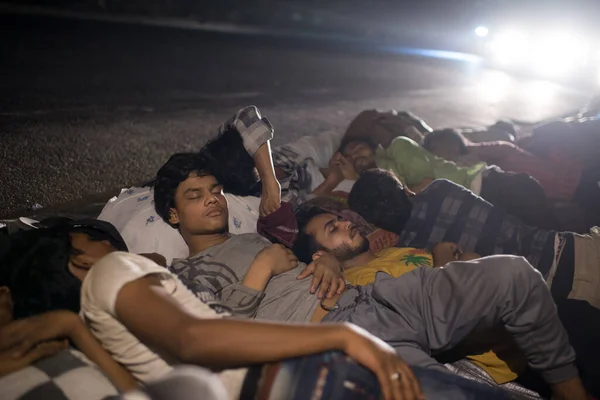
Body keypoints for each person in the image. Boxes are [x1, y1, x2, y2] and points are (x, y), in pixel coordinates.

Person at [148, 146, 588, 400]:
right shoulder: (189, 274)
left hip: (376, 297)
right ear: (172, 214)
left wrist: (326, 259)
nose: (212, 199)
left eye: (214, 191)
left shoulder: (257, 237)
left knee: (513, 275)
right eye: (195, 196)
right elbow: (218, 339)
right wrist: (261, 270)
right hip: (333, 339)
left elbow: (308, 243)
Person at [293, 205, 600, 398]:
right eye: (333, 229)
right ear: (320, 255)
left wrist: (453, 261)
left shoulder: (393, 252)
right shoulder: (360, 287)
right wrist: (444, 258)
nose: (345, 224)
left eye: (340, 219)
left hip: (536, 321)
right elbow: (428, 317)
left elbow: (474, 261)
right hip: (504, 365)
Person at [98, 106, 354, 265]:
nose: (212, 198)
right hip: (311, 180)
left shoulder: (240, 157)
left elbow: (248, 117)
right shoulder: (264, 204)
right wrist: (274, 183)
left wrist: (270, 178)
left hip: (299, 165)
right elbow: (304, 210)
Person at [347, 169, 600, 311]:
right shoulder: (441, 190)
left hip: (556, 293)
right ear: (402, 188)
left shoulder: (411, 253)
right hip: (572, 247)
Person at [337, 132, 562, 230]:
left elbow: (427, 183)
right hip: (480, 204)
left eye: (357, 147)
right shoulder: (373, 184)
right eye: (350, 157)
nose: (355, 155)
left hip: (491, 187)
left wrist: (367, 175)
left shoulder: (399, 146)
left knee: (559, 243)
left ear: (370, 144)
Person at [423, 129, 600, 229]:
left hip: (571, 185)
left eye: (436, 147)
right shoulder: (472, 164)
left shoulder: (477, 155)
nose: (436, 152)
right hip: (569, 186)